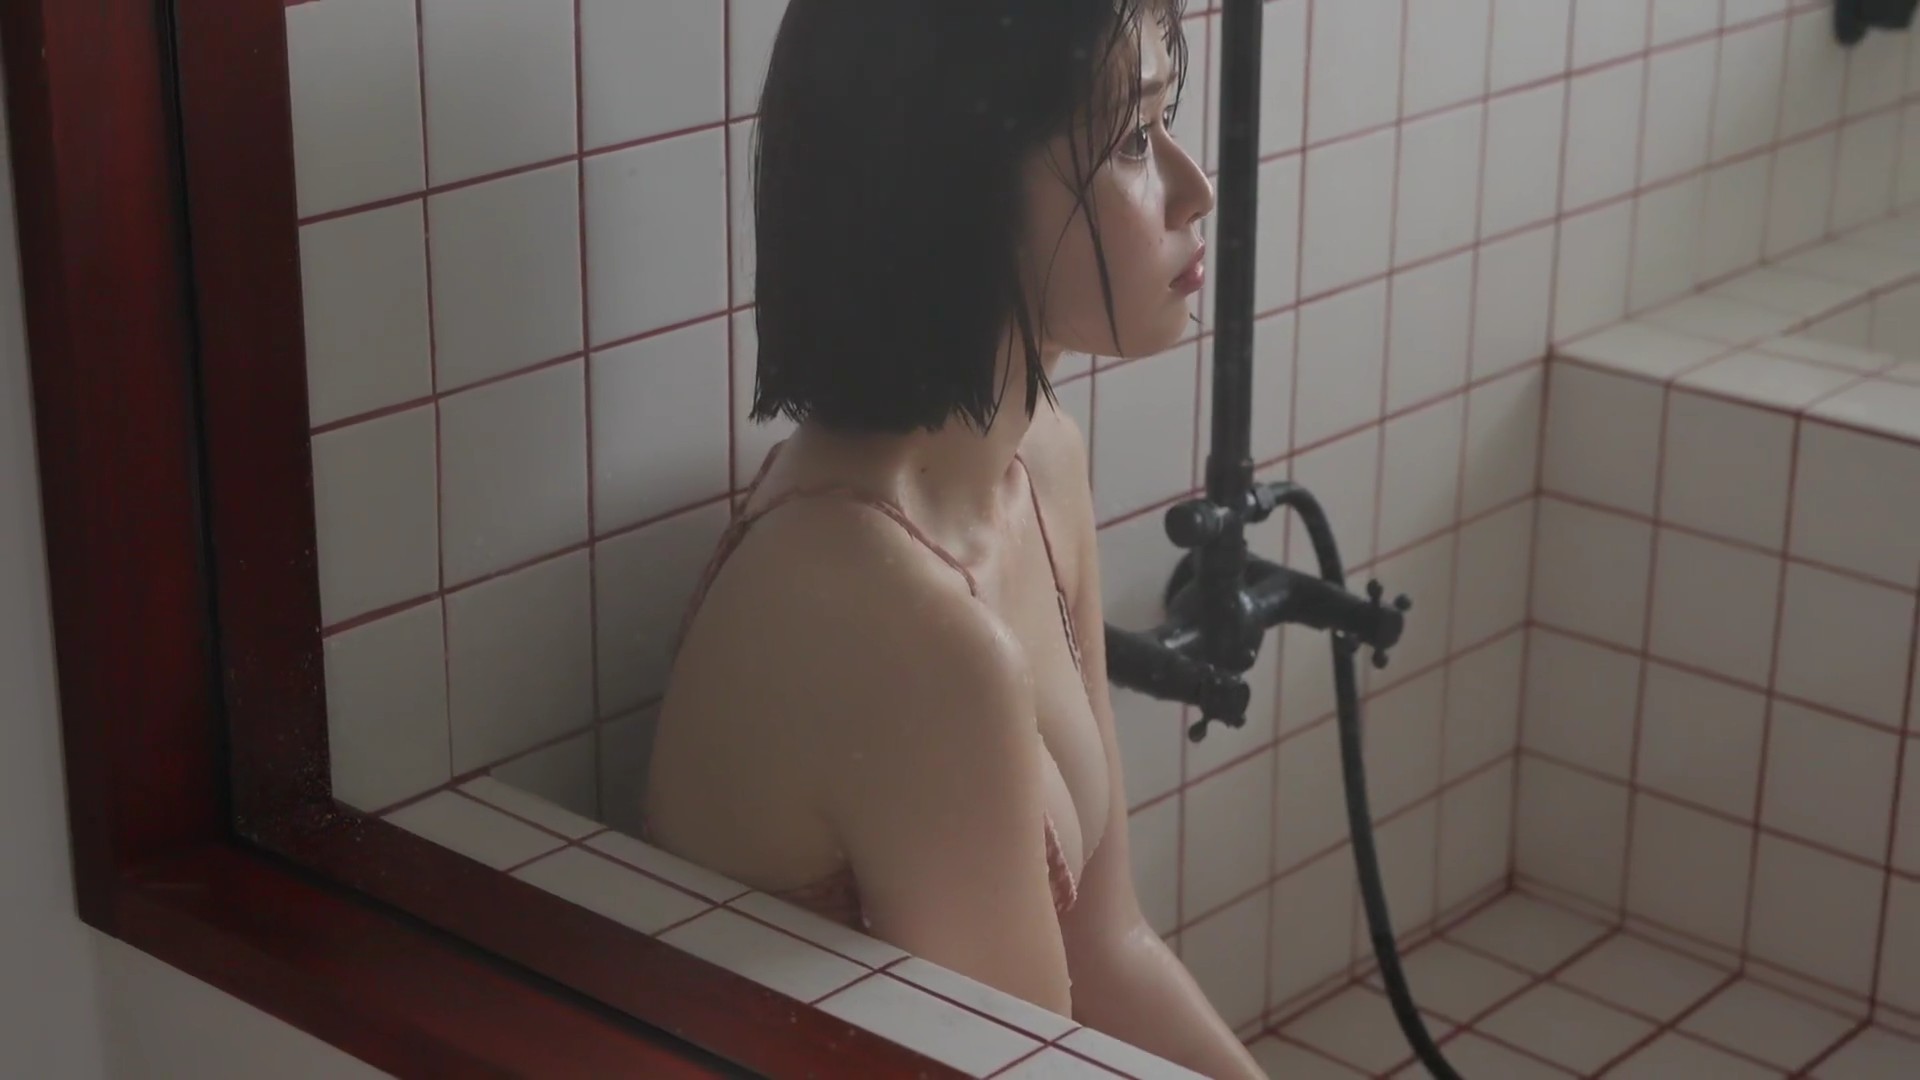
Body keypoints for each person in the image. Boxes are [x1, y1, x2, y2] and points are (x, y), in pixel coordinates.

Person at [643, 3, 1265, 1076]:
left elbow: (1110, 951)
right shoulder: (897, 626)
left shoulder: (1038, 465)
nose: (1194, 187)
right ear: (961, 194)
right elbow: (1031, 1065)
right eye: (1132, 139)